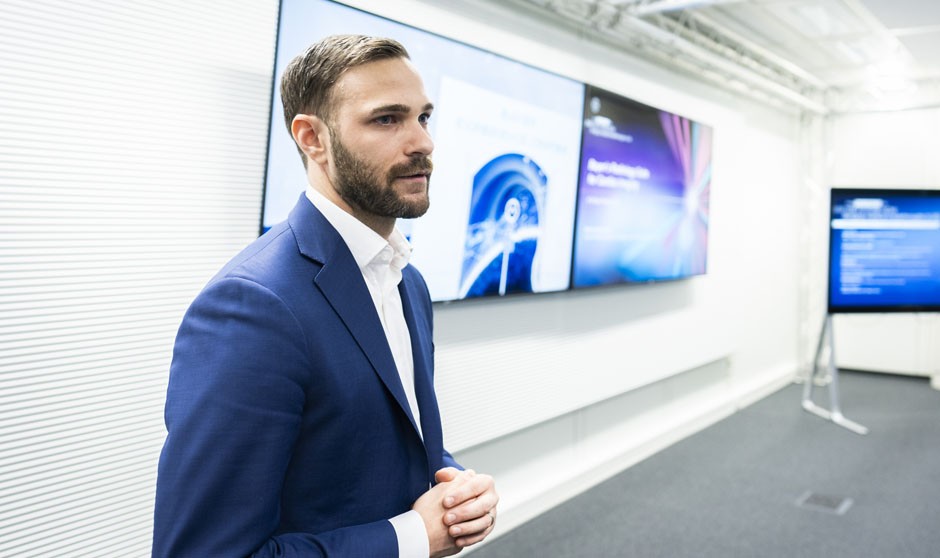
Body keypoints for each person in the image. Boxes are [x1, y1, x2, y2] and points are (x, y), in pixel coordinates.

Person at [152, 34, 498, 557]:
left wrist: (456, 493)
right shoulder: (253, 307)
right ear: (312, 138)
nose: (422, 142)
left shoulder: (407, 281)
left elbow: (378, 446)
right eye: (387, 119)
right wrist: (412, 536)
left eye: (423, 118)